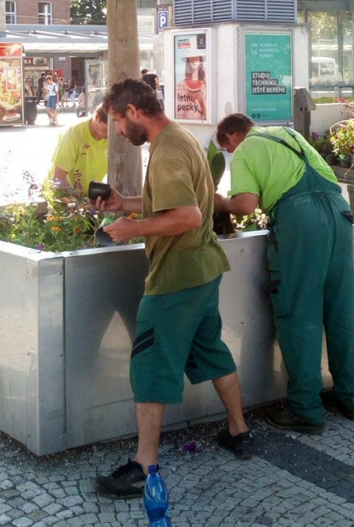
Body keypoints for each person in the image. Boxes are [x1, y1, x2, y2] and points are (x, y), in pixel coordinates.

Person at [92, 79, 253, 498]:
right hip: (204, 269)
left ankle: (145, 466)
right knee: (210, 350)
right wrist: (122, 204)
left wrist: (132, 229)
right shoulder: (180, 137)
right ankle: (239, 431)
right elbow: (173, 202)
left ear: (133, 111)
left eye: (119, 123)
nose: (120, 133)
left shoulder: (163, 154)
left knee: (149, 365)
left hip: (176, 277)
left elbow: (187, 216)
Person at [213, 113, 354, 435]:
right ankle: (353, 398)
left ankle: (306, 410)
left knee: (299, 313)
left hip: (300, 219)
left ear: (232, 137)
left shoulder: (246, 149)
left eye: (227, 150)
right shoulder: (290, 136)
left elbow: (245, 204)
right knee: (341, 311)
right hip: (338, 213)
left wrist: (220, 203)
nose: (231, 156)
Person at [43, 105, 109, 194]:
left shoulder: (113, 137)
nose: (109, 134)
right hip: (58, 195)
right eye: (106, 129)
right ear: (97, 117)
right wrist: (73, 202)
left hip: (85, 196)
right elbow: (59, 178)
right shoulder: (72, 134)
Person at [175, 56, 207, 121]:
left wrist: (202, 101)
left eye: (196, 59)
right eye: (191, 59)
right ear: (188, 62)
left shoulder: (205, 85)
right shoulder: (181, 84)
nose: (194, 61)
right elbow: (178, 111)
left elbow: (207, 115)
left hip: (200, 122)